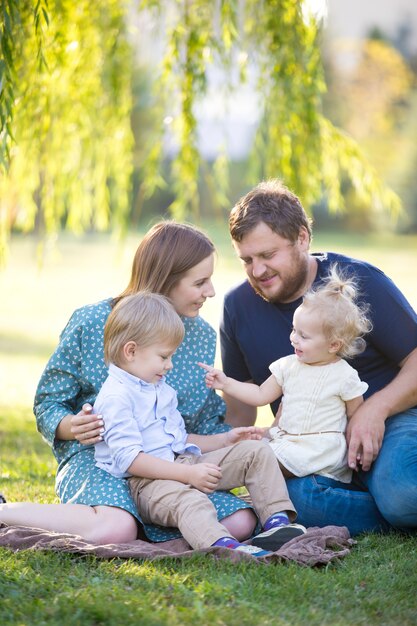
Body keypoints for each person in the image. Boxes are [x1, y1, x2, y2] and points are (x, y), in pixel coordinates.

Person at [0, 222, 257, 544]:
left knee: (240, 521)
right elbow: (48, 401)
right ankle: (5, 513)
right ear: (166, 280)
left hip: (167, 462)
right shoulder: (93, 321)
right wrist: (70, 426)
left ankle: (145, 529)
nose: (211, 292)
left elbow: (203, 420)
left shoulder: (200, 335)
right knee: (115, 528)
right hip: (98, 460)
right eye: (200, 282)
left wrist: (233, 439)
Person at [220, 179, 417, 535]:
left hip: (389, 419)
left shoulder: (358, 281)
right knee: (294, 498)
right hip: (307, 443)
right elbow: (239, 410)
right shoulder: (237, 307)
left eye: (268, 255)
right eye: (246, 259)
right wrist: (234, 446)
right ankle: (377, 502)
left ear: (302, 238)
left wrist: (376, 409)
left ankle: (389, 495)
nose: (257, 271)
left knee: (402, 494)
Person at [93, 291, 306, 555]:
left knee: (257, 451)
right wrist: (188, 475)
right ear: (131, 351)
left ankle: (276, 523)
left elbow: (179, 440)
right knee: (191, 500)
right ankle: (223, 546)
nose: (169, 365)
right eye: (164, 356)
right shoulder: (116, 397)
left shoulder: (157, 386)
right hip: (146, 483)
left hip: (183, 464)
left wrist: (225, 440)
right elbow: (130, 460)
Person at [201, 265, 370, 484]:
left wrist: (355, 449)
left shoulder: (344, 376)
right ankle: (209, 477)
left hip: (319, 451)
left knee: (256, 461)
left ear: (333, 344)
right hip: (287, 445)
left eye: (303, 336)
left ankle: (213, 481)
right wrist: (227, 383)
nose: (293, 338)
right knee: (249, 453)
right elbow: (261, 394)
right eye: (293, 330)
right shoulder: (288, 366)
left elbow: (355, 416)